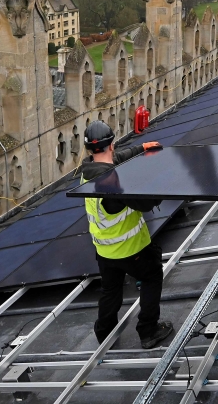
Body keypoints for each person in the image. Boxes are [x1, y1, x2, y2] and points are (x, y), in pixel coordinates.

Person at [80, 120, 173, 348]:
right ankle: (148, 330)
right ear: (111, 144)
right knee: (151, 278)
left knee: (110, 291)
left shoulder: (88, 173)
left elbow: (116, 159)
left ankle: (104, 334)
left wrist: (141, 149)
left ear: (91, 150)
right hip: (132, 250)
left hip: (105, 251)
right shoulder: (113, 183)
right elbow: (147, 204)